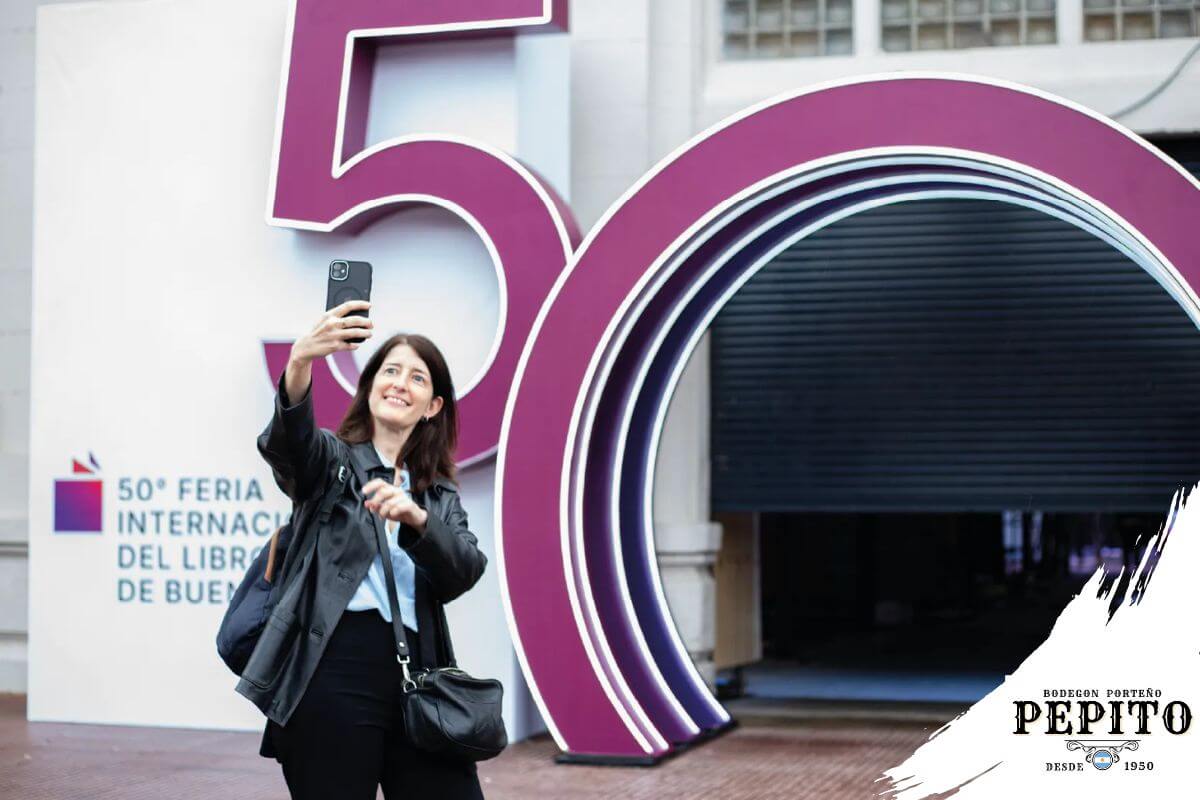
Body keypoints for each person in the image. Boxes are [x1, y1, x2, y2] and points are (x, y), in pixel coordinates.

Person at [250, 299, 487, 799]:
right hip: (332, 667)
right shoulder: (333, 462)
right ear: (371, 386)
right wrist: (300, 364)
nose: (400, 383)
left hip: (419, 675)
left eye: (418, 378)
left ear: (433, 407)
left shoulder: (438, 494)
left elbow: (464, 571)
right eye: (390, 370)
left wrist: (416, 518)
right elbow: (290, 446)